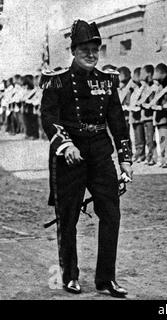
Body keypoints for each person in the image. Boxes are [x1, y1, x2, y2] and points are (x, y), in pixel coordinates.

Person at [40, 20, 133, 297]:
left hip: (101, 153)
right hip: (69, 155)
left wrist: (125, 158)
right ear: (73, 50)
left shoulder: (107, 79)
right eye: (84, 49)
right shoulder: (57, 80)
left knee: (112, 214)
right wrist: (66, 144)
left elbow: (117, 120)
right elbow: (49, 118)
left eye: (95, 49)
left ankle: (107, 279)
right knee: (67, 218)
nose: (91, 54)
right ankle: (69, 276)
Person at [152, 63, 167, 168]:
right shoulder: (158, 89)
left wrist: (160, 107)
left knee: (164, 141)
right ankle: (164, 159)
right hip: (158, 118)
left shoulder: (166, 89)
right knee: (161, 141)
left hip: (164, 118)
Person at [139, 65, 157, 166]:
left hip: (150, 117)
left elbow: (151, 103)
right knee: (146, 139)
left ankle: (152, 157)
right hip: (144, 117)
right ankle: (148, 156)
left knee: (150, 140)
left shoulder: (152, 88)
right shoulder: (145, 88)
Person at [129, 67, 146, 163]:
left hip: (139, 116)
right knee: (136, 138)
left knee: (140, 137)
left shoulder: (141, 89)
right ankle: (138, 154)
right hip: (133, 116)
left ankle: (141, 154)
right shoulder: (134, 91)